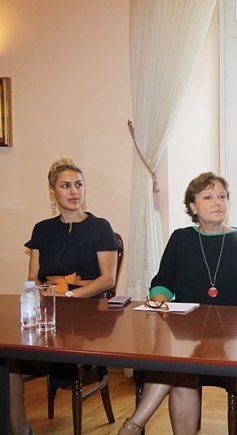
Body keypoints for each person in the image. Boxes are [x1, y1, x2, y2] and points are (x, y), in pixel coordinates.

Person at [119, 172, 237, 435]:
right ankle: (135, 425)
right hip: (185, 330)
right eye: (208, 197)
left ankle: (133, 425)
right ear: (192, 206)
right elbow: (162, 283)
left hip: (230, 336)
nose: (218, 202)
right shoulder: (181, 239)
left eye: (222, 196)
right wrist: (160, 304)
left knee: (178, 366)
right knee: (181, 372)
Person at [11, 158, 120, 435]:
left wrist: (69, 295)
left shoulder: (100, 227)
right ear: (52, 191)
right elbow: (33, 278)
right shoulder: (42, 229)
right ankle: (20, 429)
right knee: (7, 359)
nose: (74, 192)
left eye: (79, 185)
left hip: (89, 314)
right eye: (66, 186)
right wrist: (46, 299)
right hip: (49, 310)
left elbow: (107, 280)